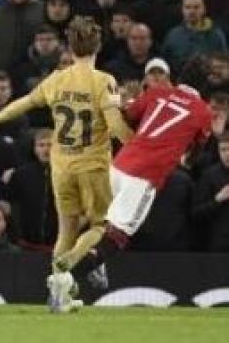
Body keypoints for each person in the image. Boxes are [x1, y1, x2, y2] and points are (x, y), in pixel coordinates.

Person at [0, 17, 133, 313]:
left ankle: (58, 296)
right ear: (98, 46)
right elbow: (116, 127)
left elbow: (26, 102)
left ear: (69, 45)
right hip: (92, 164)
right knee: (102, 225)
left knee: (66, 229)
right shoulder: (103, 81)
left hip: (61, 166)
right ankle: (68, 265)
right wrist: (138, 145)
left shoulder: (57, 78)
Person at [65, 56, 212, 296]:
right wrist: (183, 161)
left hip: (120, 163)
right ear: (205, 88)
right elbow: (196, 151)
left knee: (100, 222)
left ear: (179, 77)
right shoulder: (203, 113)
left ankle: (93, 264)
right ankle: (67, 278)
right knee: (119, 235)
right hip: (144, 176)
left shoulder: (157, 93)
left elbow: (127, 115)